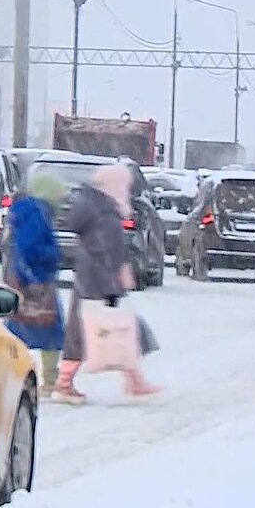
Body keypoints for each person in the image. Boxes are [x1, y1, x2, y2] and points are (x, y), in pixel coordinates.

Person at [54, 164, 161, 404]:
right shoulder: (102, 211)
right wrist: (113, 279)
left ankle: (132, 379)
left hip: (93, 277)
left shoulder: (98, 207)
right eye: (124, 184)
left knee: (106, 329)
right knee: (107, 329)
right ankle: (65, 383)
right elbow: (104, 248)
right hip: (98, 280)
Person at [3, 172, 70, 396]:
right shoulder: (37, 214)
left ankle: (11, 374)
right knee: (48, 327)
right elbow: (29, 246)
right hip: (36, 279)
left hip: (25, 277)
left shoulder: (30, 211)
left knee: (22, 326)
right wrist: (51, 254)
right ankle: (48, 380)